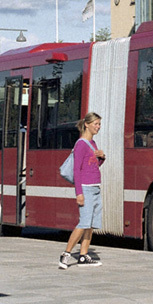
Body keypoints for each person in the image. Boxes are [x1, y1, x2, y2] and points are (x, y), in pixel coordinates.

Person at [58, 112, 106, 269]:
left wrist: (102, 158)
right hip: (85, 188)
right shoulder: (81, 144)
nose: (98, 127)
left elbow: (93, 166)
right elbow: (77, 170)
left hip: (95, 187)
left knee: (90, 224)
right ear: (87, 124)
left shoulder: (93, 143)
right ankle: (66, 254)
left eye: (99, 124)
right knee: (84, 222)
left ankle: (83, 256)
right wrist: (79, 193)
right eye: (96, 124)